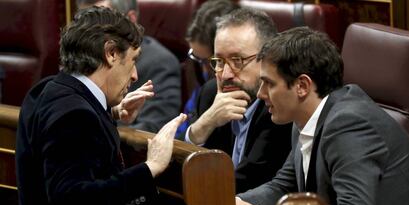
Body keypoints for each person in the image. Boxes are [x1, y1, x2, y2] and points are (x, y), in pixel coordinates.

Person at [15, 7, 186, 205]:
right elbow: (75, 202)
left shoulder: (47, 89)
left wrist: (112, 112)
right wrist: (151, 166)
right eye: (133, 60)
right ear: (111, 53)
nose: (135, 75)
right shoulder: (75, 115)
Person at [236, 26, 409, 205]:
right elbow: (283, 187)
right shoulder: (304, 118)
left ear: (302, 86)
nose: (260, 94)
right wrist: (233, 204)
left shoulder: (348, 124)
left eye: (268, 84)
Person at [183, 8, 292, 193]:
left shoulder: (279, 105)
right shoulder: (211, 94)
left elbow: (251, 180)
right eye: (219, 61)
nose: (225, 74)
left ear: (268, 59)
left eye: (237, 60)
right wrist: (202, 126)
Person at [77, 0, 182, 133]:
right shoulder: (80, 59)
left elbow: (154, 128)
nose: (88, 34)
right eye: (84, 21)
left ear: (130, 20)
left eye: (99, 24)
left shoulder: (160, 62)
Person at [176, 0, 240, 136]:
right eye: (197, 58)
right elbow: (182, 133)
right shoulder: (204, 84)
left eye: (210, 61)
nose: (205, 70)